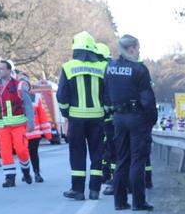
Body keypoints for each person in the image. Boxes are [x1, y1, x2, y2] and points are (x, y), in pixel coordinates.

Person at [105, 34, 157, 211]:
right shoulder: (139, 69)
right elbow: (147, 99)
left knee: (122, 159)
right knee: (138, 160)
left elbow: (106, 92)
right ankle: (138, 201)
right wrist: (152, 119)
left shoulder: (110, 67)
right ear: (131, 49)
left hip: (118, 117)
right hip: (137, 118)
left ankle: (119, 202)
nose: (139, 51)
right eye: (138, 48)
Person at [56, 31, 108, 200]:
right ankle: (94, 190)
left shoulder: (68, 67)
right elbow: (108, 94)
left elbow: (62, 95)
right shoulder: (102, 67)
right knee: (97, 153)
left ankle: (78, 190)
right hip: (97, 118)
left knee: (77, 153)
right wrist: (105, 109)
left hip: (76, 118)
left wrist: (66, 112)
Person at [0, 59, 35, 187]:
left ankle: (26, 171)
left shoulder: (18, 85)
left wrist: (31, 123)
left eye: (2, 69)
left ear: (9, 71)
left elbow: (28, 105)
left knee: (21, 149)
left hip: (18, 124)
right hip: (1, 125)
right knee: (5, 151)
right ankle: (9, 178)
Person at [94, 42, 117, 196]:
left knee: (104, 150)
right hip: (114, 117)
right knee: (114, 150)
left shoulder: (97, 69)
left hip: (100, 117)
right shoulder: (112, 68)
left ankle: (106, 176)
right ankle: (114, 178)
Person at [23, 83, 52, 183]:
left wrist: (47, 133)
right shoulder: (15, 98)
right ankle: (26, 173)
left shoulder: (36, 97)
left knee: (33, 153)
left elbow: (42, 115)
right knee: (23, 154)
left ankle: (36, 173)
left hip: (34, 132)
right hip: (20, 132)